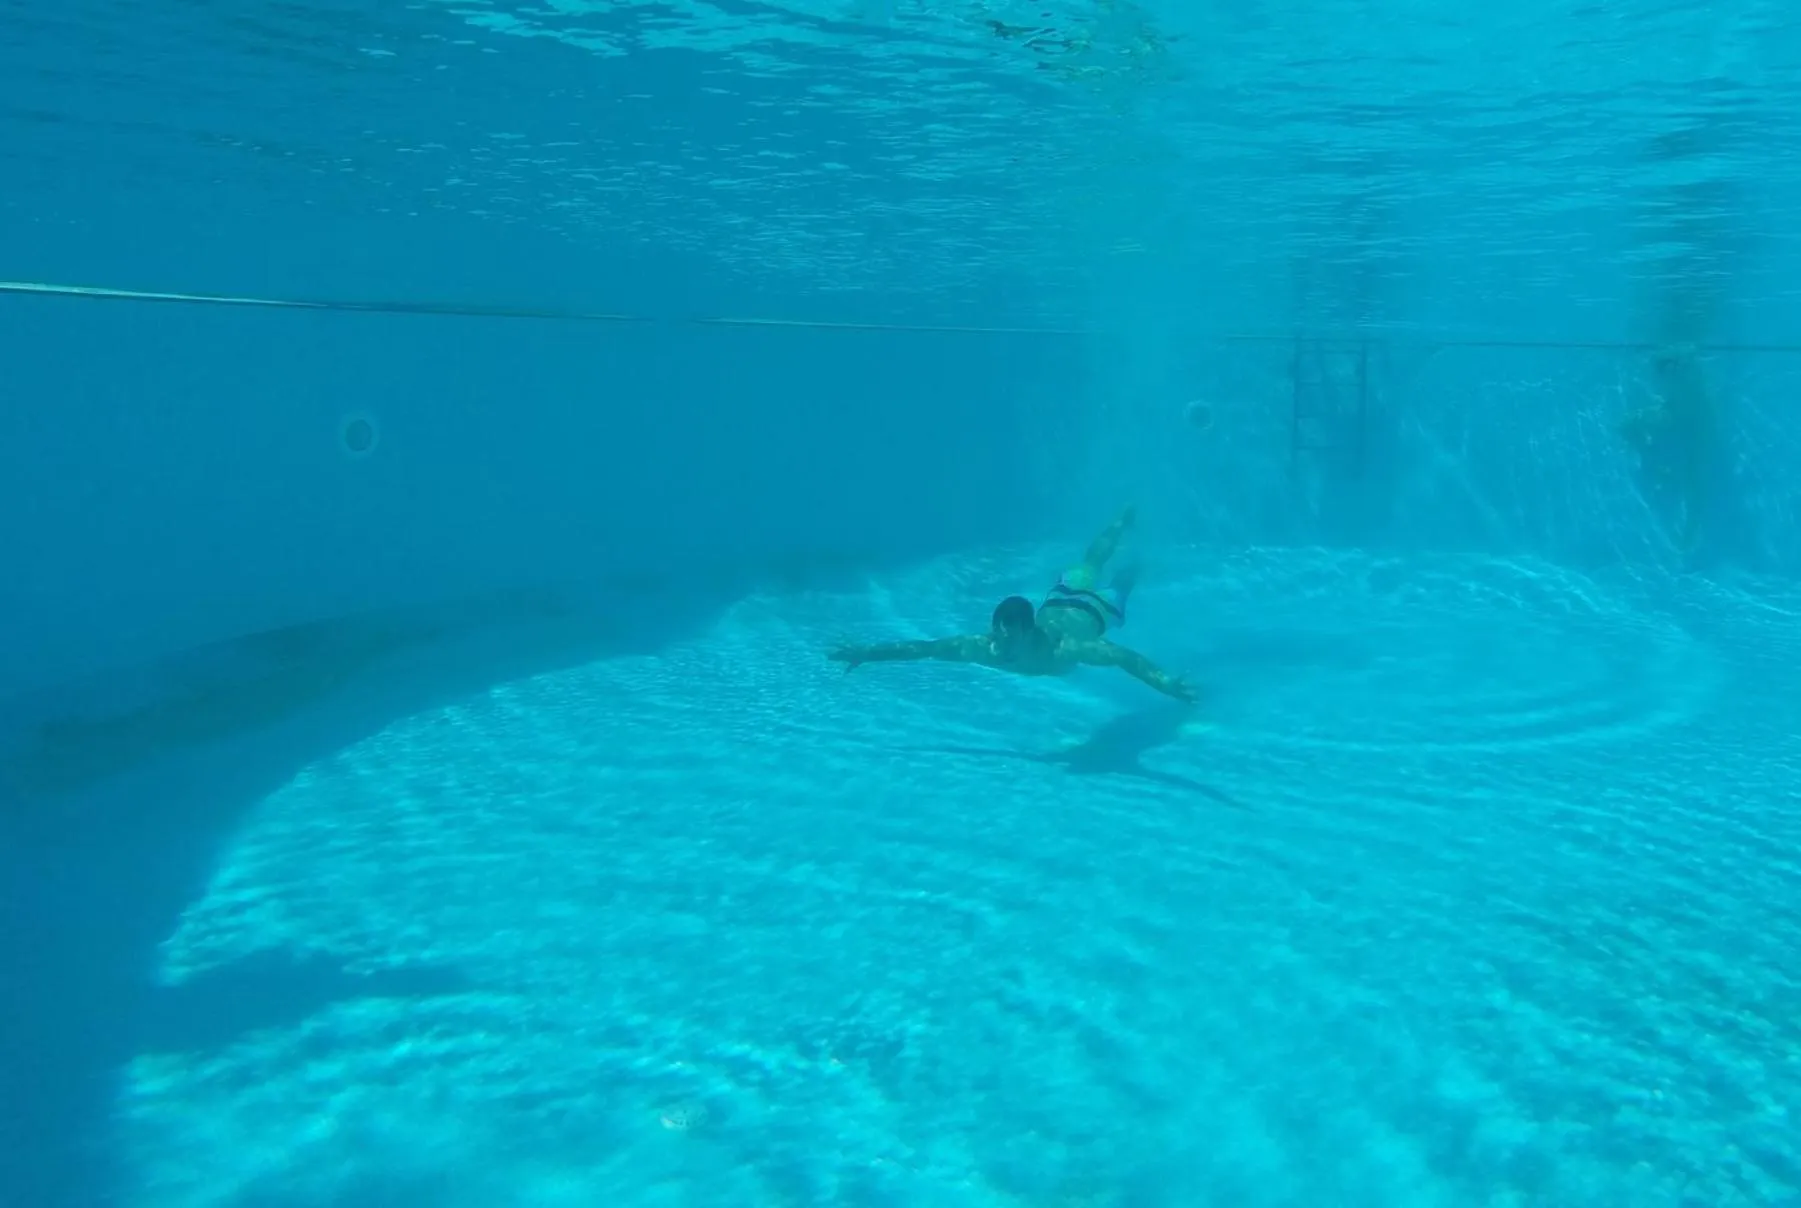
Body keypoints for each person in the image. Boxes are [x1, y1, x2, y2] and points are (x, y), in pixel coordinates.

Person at [828, 506, 1195, 703]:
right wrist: (867, 653)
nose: (999, 648)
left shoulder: (1066, 648)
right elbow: (924, 649)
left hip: (1096, 610)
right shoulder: (984, 647)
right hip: (1062, 595)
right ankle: (1123, 527)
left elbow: (1123, 658)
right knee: (1088, 563)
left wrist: (1165, 683)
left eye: (1008, 640)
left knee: (1119, 582)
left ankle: (1136, 541)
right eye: (997, 637)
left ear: (1029, 631)